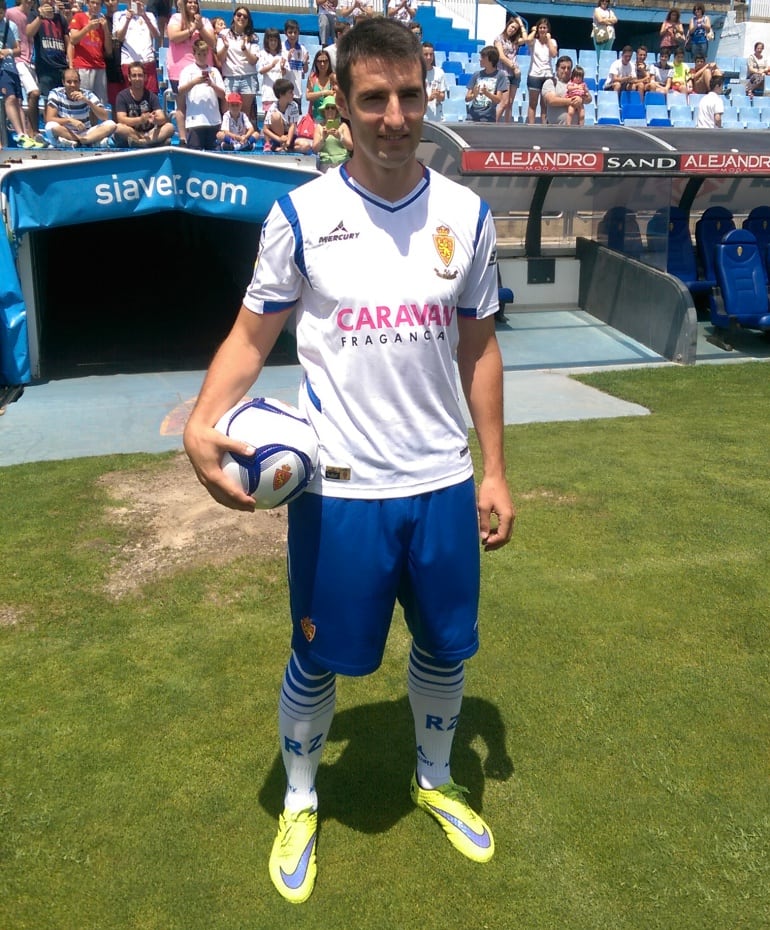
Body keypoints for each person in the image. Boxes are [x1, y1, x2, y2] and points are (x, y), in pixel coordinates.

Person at [183, 16, 515, 907]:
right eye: (374, 98)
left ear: (426, 95)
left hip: (441, 484)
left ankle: (435, 777)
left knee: (447, 651)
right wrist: (199, 426)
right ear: (341, 105)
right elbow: (251, 339)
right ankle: (300, 797)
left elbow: (479, 349)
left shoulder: (468, 215)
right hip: (341, 493)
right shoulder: (300, 216)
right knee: (318, 658)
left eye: (409, 96)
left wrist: (493, 470)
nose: (396, 116)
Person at [167, 0, 216, 145]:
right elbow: (173, 37)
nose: (193, 5)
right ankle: (183, 138)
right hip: (178, 69)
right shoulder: (176, 18)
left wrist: (200, 28)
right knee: (181, 105)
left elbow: (212, 43)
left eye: (195, 2)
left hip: (202, 68)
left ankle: (200, 137)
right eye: (189, 2)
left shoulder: (205, 21)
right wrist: (191, 29)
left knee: (200, 101)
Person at [0, 0, 44, 147]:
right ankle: (19, 134)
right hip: (2, 70)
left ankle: (24, 136)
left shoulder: (9, 25)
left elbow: (17, 49)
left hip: (10, 67)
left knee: (18, 101)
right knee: (10, 98)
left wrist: (7, 52)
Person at [44, 66, 116, 145]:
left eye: (75, 82)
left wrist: (88, 102)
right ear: (63, 82)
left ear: (80, 82)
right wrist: (70, 120)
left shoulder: (87, 94)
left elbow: (104, 117)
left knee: (111, 124)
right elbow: (49, 119)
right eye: (69, 82)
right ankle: (85, 141)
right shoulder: (56, 93)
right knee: (50, 126)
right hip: (66, 132)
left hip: (86, 133)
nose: (73, 85)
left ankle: (81, 141)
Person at [177, 37, 225, 150]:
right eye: (199, 54)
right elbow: (180, 91)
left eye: (204, 54)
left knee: (213, 155)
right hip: (195, 120)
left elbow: (222, 95)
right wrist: (194, 82)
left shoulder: (214, 71)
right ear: (194, 54)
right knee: (195, 152)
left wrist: (212, 84)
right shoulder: (187, 71)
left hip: (213, 120)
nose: (202, 57)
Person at [113, 59, 174, 146]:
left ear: (145, 77)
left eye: (140, 75)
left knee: (169, 127)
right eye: (134, 76)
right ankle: (152, 143)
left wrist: (156, 119)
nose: (137, 79)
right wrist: (140, 120)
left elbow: (162, 117)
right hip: (132, 133)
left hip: (150, 134)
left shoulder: (151, 96)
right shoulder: (122, 96)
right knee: (119, 128)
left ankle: (142, 143)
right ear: (129, 78)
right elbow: (121, 119)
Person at [216, 6, 259, 123]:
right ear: (234, 17)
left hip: (248, 77)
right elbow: (220, 57)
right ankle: (227, 138)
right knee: (226, 111)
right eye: (239, 15)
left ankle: (243, 139)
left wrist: (244, 48)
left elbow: (253, 60)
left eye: (245, 16)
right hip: (230, 77)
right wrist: (225, 46)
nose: (241, 18)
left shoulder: (252, 37)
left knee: (245, 114)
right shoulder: (224, 34)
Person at [28, 0, 70, 107]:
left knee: (64, 102)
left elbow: (68, 42)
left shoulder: (60, 18)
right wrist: (40, 17)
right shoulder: (34, 14)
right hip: (45, 67)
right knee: (50, 103)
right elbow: (29, 33)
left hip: (62, 67)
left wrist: (70, 62)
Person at [68, 0, 112, 103]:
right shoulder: (79, 17)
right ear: (87, 4)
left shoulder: (103, 22)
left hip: (99, 67)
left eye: (98, 4)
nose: (95, 6)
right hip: (83, 66)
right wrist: (88, 27)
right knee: (83, 101)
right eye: (93, 2)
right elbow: (73, 39)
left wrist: (105, 29)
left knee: (98, 104)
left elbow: (109, 50)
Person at [113, 1, 160, 93]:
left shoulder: (149, 15)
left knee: (150, 97)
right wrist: (127, 20)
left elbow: (156, 36)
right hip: (128, 62)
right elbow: (119, 38)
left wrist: (144, 16)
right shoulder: (119, 15)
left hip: (147, 61)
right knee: (129, 97)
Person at [262, 75, 313, 153]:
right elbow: (265, 129)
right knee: (276, 116)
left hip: (290, 136)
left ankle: (285, 148)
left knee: (306, 146)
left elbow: (293, 125)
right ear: (281, 94)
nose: (293, 94)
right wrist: (279, 139)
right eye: (290, 92)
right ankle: (279, 145)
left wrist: (288, 141)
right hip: (278, 138)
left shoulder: (294, 105)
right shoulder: (273, 108)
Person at [542, 54, 591, 125]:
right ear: (557, 68)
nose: (566, 70)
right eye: (563, 68)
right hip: (555, 130)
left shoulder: (577, 83)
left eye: (569, 68)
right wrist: (572, 101)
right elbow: (552, 100)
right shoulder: (551, 82)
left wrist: (581, 100)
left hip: (575, 131)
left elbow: (589, 99)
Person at [494, 15, 525, 123]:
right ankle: (493, 124)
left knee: (510, 103)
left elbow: (526, 39)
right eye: (512, 27)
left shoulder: (515, 41)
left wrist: (521, 24)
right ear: (507, 25)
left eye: (515, 29)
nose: (513, 30)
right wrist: (514, 67)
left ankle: (507, 126)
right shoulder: (499, 39)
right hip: (504, 73)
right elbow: (501, 56)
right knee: (504, 102)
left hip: (515, 75)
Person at [525, 18, 557, 124]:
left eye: (545, 28)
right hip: (534, 75)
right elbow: (527, 40)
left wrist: (548, 40)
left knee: (545, 105)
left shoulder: (552, 41)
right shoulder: (534, 41)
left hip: (547, 75)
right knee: (533, 103)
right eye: (541, 27)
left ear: (548, 29)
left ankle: (544, 127)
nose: (542, 30)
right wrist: (533, 31)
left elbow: (553, 54)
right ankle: (531, 127)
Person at [465, 45, 506, 123]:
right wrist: (474, 95)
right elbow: (467, 98)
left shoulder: (500, 75)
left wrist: (486, 93)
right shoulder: (476, 74)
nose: (480, 59)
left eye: (483, 58)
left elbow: (498, 100)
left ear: (490, 60)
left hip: (488, 118)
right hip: (472, 116)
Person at [311, 94, 352, 167]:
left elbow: (351, 147)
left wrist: (340, 137)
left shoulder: (343, 126)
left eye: (333, 108)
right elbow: (314, 150)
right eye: (327, 108)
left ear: (336, 110)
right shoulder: (319, 127)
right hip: (326, 163)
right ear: (324, 111)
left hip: (343, 162)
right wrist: (323, 138)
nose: (330, 110)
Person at [257, 26, 285, 115]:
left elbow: (284, 73)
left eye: (275, 40)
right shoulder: (263, 54)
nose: (273, 43)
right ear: (267, 41)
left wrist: (283, 67)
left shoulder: (282, 54)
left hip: (280, 94)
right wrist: (272, 65)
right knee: (268, 118)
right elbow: (261, 70)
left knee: (279, 116)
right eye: (271, 40)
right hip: (268, 93)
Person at [283, 18, 309, 111]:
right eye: (290, 32)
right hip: (284, 91)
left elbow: (305, 70)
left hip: (297, 92)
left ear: (298, 33)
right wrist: (288, 58)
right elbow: (280, 69)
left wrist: (305, 62)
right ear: (285, 33)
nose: (293, 35)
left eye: (295, 32)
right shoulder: (282, 48)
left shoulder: (302, 49)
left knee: (295, 121)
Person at [305, 47, 335, 122]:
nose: (322, 64)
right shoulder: (312, 77)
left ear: (329, 62)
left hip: (332, 119)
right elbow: (308, 96)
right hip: (315, 118)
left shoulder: (333, 77)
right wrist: (324, 93)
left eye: (325, 61)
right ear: (316, 62)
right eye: (319, 61)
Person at [422, 41, 445, 122]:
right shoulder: (416, 73)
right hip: (423, 117)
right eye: (426, 54)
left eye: (431, 54)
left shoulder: (440, 72)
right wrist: (429, 98)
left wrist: (438, 95)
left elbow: (443, 97)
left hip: (437, 117)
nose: (429, 57)